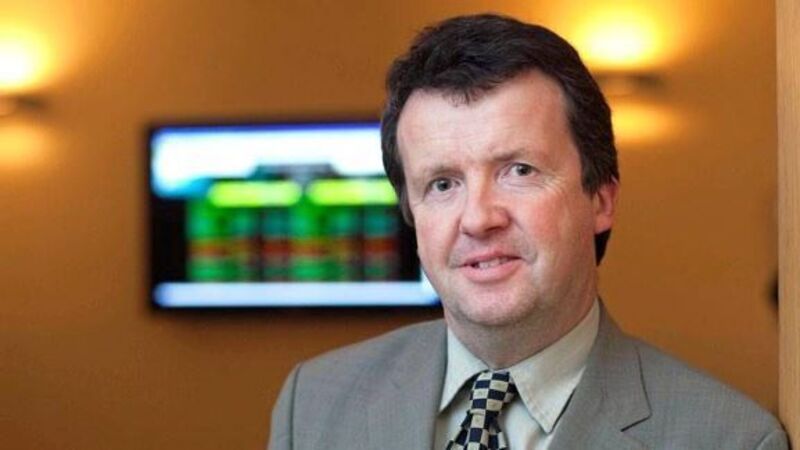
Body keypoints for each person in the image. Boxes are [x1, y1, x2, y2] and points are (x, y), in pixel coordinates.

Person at [269, 13, 787, 450]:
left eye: (518, 170)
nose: (478, 218)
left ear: (600, 199)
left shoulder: (730, 439)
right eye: (443, 184)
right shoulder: (312, 405)